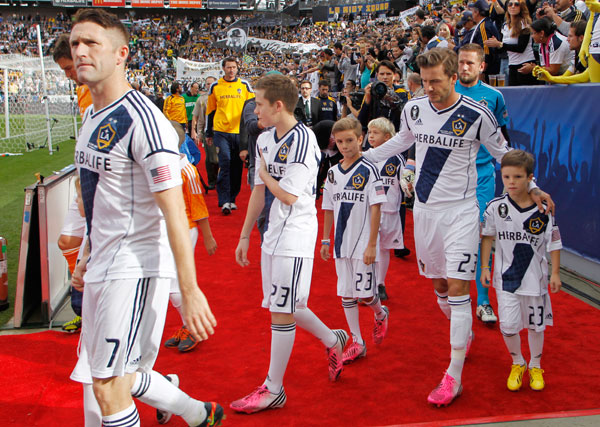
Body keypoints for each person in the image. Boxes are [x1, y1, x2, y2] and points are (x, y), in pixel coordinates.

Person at [361, 48, 553, 407]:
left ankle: (454, 375)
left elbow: (503, 153)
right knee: (440, 287)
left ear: (453, 77)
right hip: (425, 212)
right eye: (425, 81)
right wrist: (361, 157)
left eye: (436, 81)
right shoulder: (414, 108)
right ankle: (462, 331)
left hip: (462, 213)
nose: (429, 88)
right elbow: (403, 141)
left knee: (459, 289)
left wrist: (535, 185)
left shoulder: (478, 113)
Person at [68, 8, 222, 426]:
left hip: (133, 268)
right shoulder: (90, 116)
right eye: (75, 43)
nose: (80, 51)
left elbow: (175, 212)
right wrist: (85, 254)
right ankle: (198, 414)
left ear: (121, 54)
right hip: (103, 263)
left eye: (91, 43)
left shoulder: (144, 120)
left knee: (108, 384)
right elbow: (99, 200)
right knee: (116, 375)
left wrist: (188, 291)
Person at [232, 74, 348, 414]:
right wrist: (243, 235)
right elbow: (257, 190)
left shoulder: (304, 140)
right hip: (272, 234)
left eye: (259, 104)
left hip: (296, 234)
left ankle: (273, 389)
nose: (255, 110)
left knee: (282, 310)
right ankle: (334, 339)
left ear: (278, 105)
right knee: (287, 304)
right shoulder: (265, 139)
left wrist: (267, 175)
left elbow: (287, 194)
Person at [481, 150, 562, 392]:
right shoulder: (496, 207)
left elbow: (555, 242)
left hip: (535, 280)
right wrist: (485, 266)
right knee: (508, 326)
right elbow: (487, 237)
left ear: (530, 178)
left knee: (537, 326)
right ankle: (518, 362)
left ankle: (535, 364)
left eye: (517, 177)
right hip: (506, 280)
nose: (511, 182)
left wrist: (555, 273)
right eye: (506, 177)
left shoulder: (543, 209)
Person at [320, 117, 390, 365]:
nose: (344, 146)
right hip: (340, 244)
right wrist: (325, 240)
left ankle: (380, 313)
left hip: (363, 244)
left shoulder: (369, 169)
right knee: (346, 294)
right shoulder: (332, 173)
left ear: (360, 139)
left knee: (365, 294)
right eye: (339, 142)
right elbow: (328, 207)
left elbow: (376, 208)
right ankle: (357, 341)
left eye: (350, 140)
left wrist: (372, 244)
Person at [456, 43, 511, 324]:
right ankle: (455, 295)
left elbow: (503, 138)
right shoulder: (443, 91)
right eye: (461, 62)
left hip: (483, 178)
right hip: (450, 180)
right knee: (453, 241)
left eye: (470, 63)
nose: (464, 67)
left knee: (481, 237)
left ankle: (484, 301)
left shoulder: (493, 96)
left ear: (481, 67)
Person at [163, 122, 217, 354]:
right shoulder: (163, 165)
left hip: (185, 230)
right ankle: (189, 324)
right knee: (168, 284)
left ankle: (195, 326)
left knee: (174, 286)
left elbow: (198, 206)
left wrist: (207, 237)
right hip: (166, 231)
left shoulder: (186, 169)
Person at [53, 32, 92, 333]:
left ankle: (85, 310)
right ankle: (84, 306)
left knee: (90, 252)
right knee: (67, 242)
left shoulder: (98, 93)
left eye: (68, 68)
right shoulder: (84, 94)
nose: (68, 75)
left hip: (95, 190)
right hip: (84, 182)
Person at [366, 117, 410, 301]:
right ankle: (367, 283)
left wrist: (409, 185)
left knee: (384, 249)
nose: (371, 136)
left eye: (375, 133)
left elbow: (406, 180)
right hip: (368, 211)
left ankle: (380, 283)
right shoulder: (365, 156)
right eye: (369, 132)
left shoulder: (398, 159)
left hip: (390, 210)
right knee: (367, 247)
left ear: (387, 137)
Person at [206, 57, 255, 215]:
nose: (231, 70)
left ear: (237, 68)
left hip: (240, 132)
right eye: (228, 67)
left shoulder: (245, 85)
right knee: (225, 163)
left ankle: (232, 198)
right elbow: (210, 111)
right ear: (223, 68)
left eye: (234, 67)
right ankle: (224, 200)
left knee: (236, 167)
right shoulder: (215, 86)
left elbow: (252, 108)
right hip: (221, 131)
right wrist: (208, 132)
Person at [484, 0, 539, 86]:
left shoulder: (524, 23)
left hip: (525, 64)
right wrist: (494, 44)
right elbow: (503, 49)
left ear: (521, 8)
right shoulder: (505, 25)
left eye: (516, 4)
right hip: (512, 65)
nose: (513, 6)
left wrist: (500, 44)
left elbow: (521, 48)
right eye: (510, 4)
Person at [359, 60, 410, 132]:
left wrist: (387, 95)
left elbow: (404, 115)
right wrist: (367, 99)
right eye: (382, 74)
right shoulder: (372, 92)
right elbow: (361, 120)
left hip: (395, 133)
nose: (385, 77)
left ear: (394, 75)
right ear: (377, 75)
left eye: (388, 74)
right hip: (375, 134)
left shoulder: (402, 93)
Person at [191, 76, 218, 190]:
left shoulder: (221, 97)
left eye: (211, 83)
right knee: (212, 159)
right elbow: (197, 117)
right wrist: (197, 132)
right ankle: (212, 180)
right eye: (207, 84)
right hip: (209, 131)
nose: (209, 85)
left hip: (223, 131)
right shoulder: (201, 99)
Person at [468, 0, 502, 81]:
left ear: (477, 12)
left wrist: (482, 71)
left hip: (488, 71)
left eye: (472, 11)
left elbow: (486, 49)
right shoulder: (484, 23)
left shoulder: (484, 26)